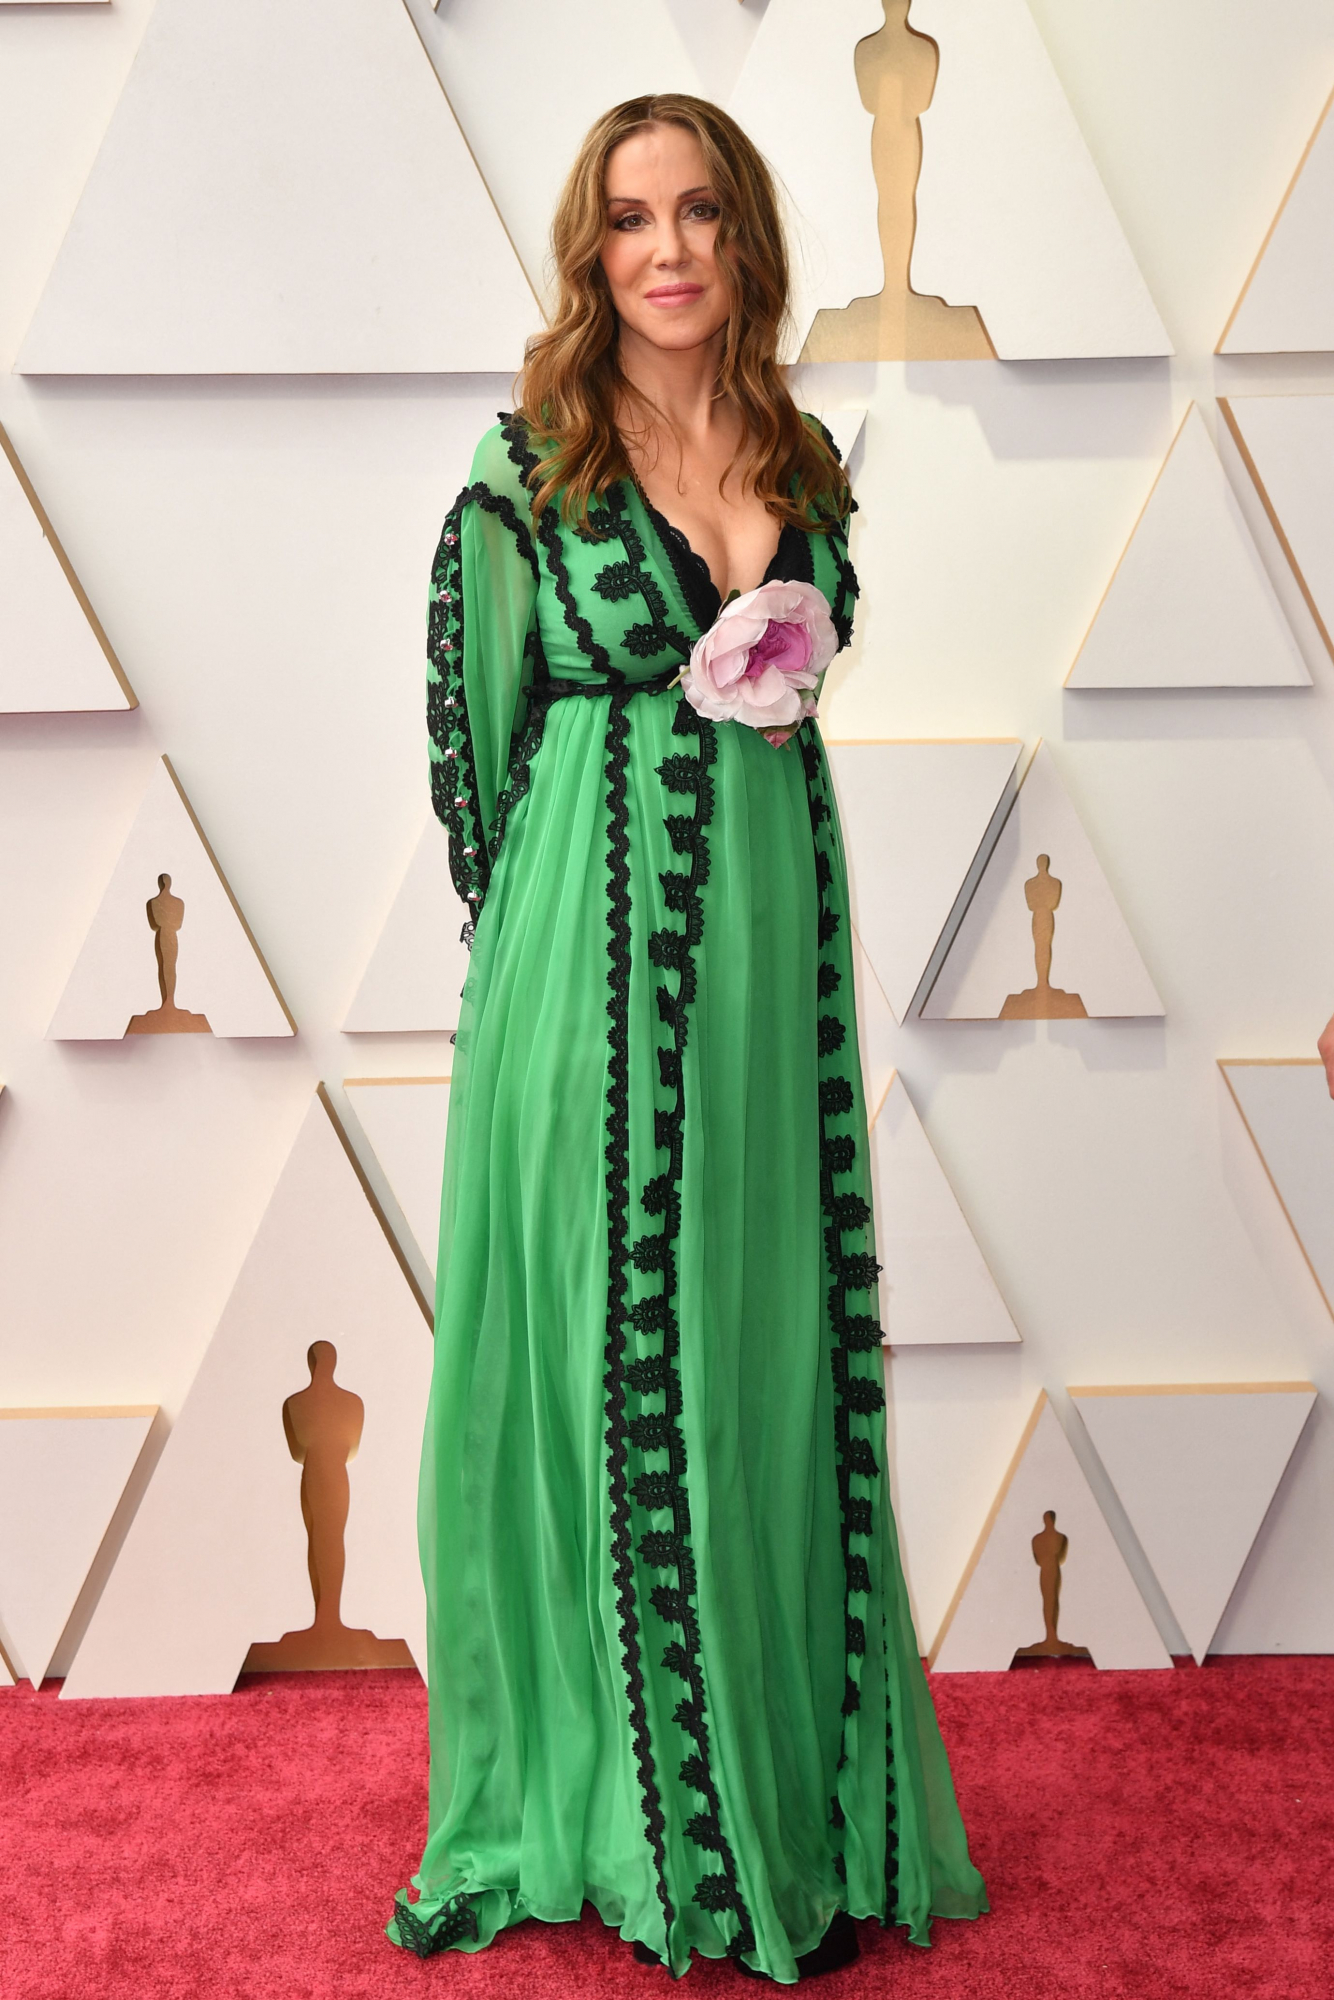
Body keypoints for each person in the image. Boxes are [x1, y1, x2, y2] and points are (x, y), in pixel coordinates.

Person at [388, 93, 987, 1982]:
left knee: (756, 1336)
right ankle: (622, 1805)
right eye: (631, 219)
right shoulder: (528, 471)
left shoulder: (800, 454)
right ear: (590, 251)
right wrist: (544, 980)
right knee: (604, 1353)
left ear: (740, 243)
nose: (666, 249)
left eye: (699, 212)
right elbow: (474, 751)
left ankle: (783, 1783)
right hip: (582, 962)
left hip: (763, 972)